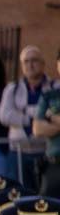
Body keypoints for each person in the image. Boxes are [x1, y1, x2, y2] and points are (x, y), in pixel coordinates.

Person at [0, 46, 59, 193]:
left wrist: (23, 112)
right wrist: (34, 118)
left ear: (43, 63)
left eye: (34, 60)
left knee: (45, 199)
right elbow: (5, 115)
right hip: (19, 152)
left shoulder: (54, 88)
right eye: (26, 61)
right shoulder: (12, 89)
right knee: (20, 195)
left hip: (46, 153)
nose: (30, 65)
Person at [35, 53, 60, 198]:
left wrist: (53, 118)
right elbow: (37, 129)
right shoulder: (49, 96)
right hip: (54, 164)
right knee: (48, 214)